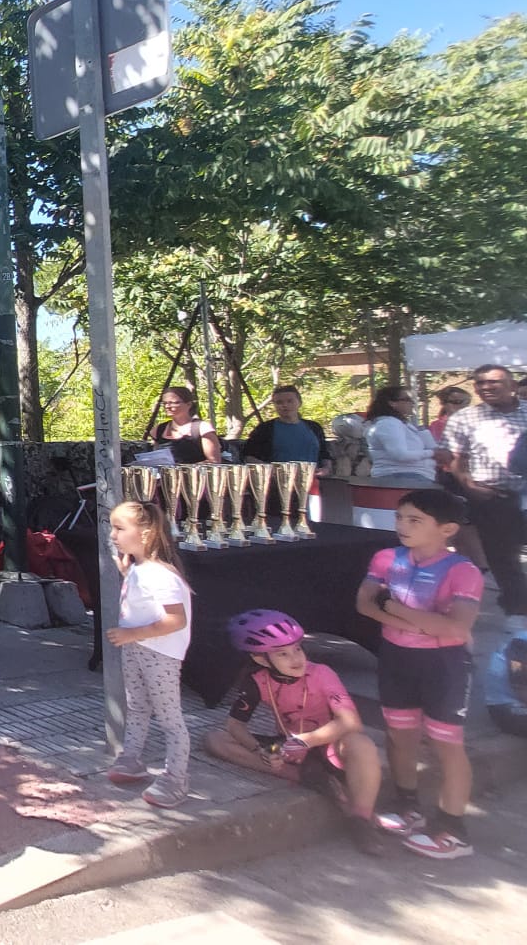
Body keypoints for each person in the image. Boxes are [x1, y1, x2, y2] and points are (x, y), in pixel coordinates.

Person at [355, 488, 483, 858]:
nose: (402, 526)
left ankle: (453, 829)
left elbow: (457, 628)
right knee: (399, 735)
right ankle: (406, 805)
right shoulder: (386, 558)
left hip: (443, 666)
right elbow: (364, 605)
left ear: (447, 529)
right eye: (399, 518)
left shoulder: (463, 571)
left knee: (446, 744)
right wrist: (424, 624)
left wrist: (394, 608)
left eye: (415, 520)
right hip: (397, 658)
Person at [204, 609, 387, 855]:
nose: (296, 658)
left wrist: (307, 740)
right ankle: (304, 776)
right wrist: (262, 751)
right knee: (215, 740)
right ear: (261, 660)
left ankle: (361, 820)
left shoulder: (322, 673)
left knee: (361, 744)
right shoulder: (257, 680)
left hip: (328, 743)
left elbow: (351, 722)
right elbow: (234, 726)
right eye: (283, 654)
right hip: (291, 748)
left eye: (297, 649)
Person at [103, 500, 193, 809]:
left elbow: (175, 620)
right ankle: (131, 759)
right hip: (138, 649)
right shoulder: (140, 569)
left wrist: (132, 634)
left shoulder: (160, 575)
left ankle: (176, 778)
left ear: (145, 533)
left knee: (170, 719)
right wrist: (127, 572)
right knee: (137, 707)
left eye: (119, 528)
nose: (113, 535)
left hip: (159, 653)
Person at [442, 363, 527, 620]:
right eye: (480, 383)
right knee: (503, 556)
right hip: (491, 497)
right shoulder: (465, 418)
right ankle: (518, 610)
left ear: (513, 386)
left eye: (494, 382)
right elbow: (452, 455)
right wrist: (467, 484)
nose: (486, 387)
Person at [363, 386, 446, 482]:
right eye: (407, 399)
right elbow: (401, 455)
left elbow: (429, 446)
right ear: (392, 403)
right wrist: (432, 453)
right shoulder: (388, 424)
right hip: (401, 476)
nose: (413, 403)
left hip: (412, 475)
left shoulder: (401, 424)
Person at [242, 385, 329, 468]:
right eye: (279, 402)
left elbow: (325, 455)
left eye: (290, 401)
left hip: (313, 478)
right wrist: (271, 471)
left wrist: (326, 469)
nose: (285, 405)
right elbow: (249, 457)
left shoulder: (314, 427)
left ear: (299, 403)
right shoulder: (265, 429)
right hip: (278, 479)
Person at [150, 386, 221, 464]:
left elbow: (214, 461)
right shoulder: (158, 430)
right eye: (165, 403)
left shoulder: (202, 428)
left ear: (189, 404)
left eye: (173, 402)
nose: (167, 406)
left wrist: (183, 469)